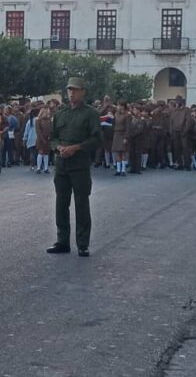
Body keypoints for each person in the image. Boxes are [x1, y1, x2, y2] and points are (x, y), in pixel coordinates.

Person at [47, 77, 101, 257]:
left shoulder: (91, 114)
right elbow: (53, 137)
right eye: (70, 89)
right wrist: (58, 147)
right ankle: (62, 241)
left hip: (79, 165)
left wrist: (76, 148)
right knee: (61, 204)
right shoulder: (61, 112)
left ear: (83, 91)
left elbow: (97, 139)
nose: (72, 93)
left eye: (76, 90)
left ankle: (82, 243)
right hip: (62, 164)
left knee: (81, 204)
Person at [169, 96, 193, 170]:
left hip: (183, 131)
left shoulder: (187, 110)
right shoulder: (174, 111)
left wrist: (185, 131)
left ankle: (187, 164)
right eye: (177, 101)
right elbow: (171, 122)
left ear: (182, 101)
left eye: (179, 101)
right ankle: (179, 164)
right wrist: (171, 131)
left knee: (185, 148)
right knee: (176, 149)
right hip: (175, 131)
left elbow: (188, 121)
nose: (178, 102)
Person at [111, 102, 130, 176]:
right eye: (118, 105)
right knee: (117, 152)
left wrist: (126, 137)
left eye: (119, 105)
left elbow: (128, 127)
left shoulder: (127, 115)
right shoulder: (115, 114)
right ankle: (118, 170)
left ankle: (123, 170)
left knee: (123, 152)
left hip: (122, 134)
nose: (118, 107)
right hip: (116, 134)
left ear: (123, 106)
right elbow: (113, 124)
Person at [35, 107, 52, 173]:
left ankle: (46, 168)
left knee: (46, 153)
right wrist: (42, 139)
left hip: (47, 139)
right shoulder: (38, 120)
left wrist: (50, 136)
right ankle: (38, 168)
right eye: (46, 112)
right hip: (40, 139)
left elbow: (51, 129)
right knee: (40, 152)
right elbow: (38, 131)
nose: (48, 113)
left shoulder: (49, 120)